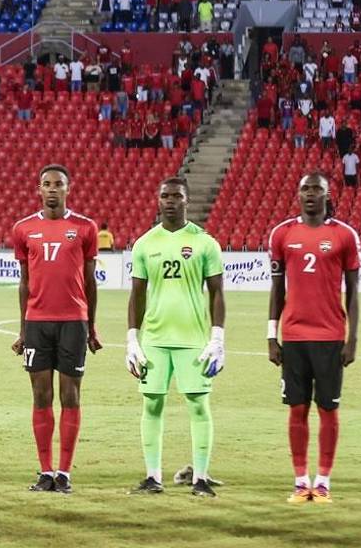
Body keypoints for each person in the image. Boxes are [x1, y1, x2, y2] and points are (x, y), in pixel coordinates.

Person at [126, 178, 226, 497]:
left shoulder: (204, 242)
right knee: (151, 404)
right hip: (155, 339)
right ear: (158, 200)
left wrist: (217, 338)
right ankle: (153, 477)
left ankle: (201, 478)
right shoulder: (145, 243)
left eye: (177, 196)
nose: (170, 201)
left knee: (198, 405)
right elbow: (137, 295)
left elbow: (217, 293)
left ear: (187, 200)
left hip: (194, 340)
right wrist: (132, 339)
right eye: (165, 196)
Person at [267, 173, 361, 504]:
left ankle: (322, 482)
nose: (310, 194)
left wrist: (352, 339)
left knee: (327, 410)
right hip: (293, 336)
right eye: (304, 188)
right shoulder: (282, 233)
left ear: (326, 194)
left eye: (316, 189)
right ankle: (299, 481)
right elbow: (277, 288)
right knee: (297, 409)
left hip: (330, 336)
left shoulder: (344, 235)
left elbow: (352, 291)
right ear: (297, 193)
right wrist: (271, 335)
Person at [10, 165, 101, 494]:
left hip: (73, 322)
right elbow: (24, 282)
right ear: (38, 189)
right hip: (37, 323)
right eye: (46, 184)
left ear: (67, 189)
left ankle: (64, 473)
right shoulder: (23, 229)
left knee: (70, 395)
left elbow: (90, 281)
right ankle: (45, 471)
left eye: (58, 184)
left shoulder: (85, 228)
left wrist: (92, 327)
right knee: (41, 395)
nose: (52, 189)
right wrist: (22, 330)